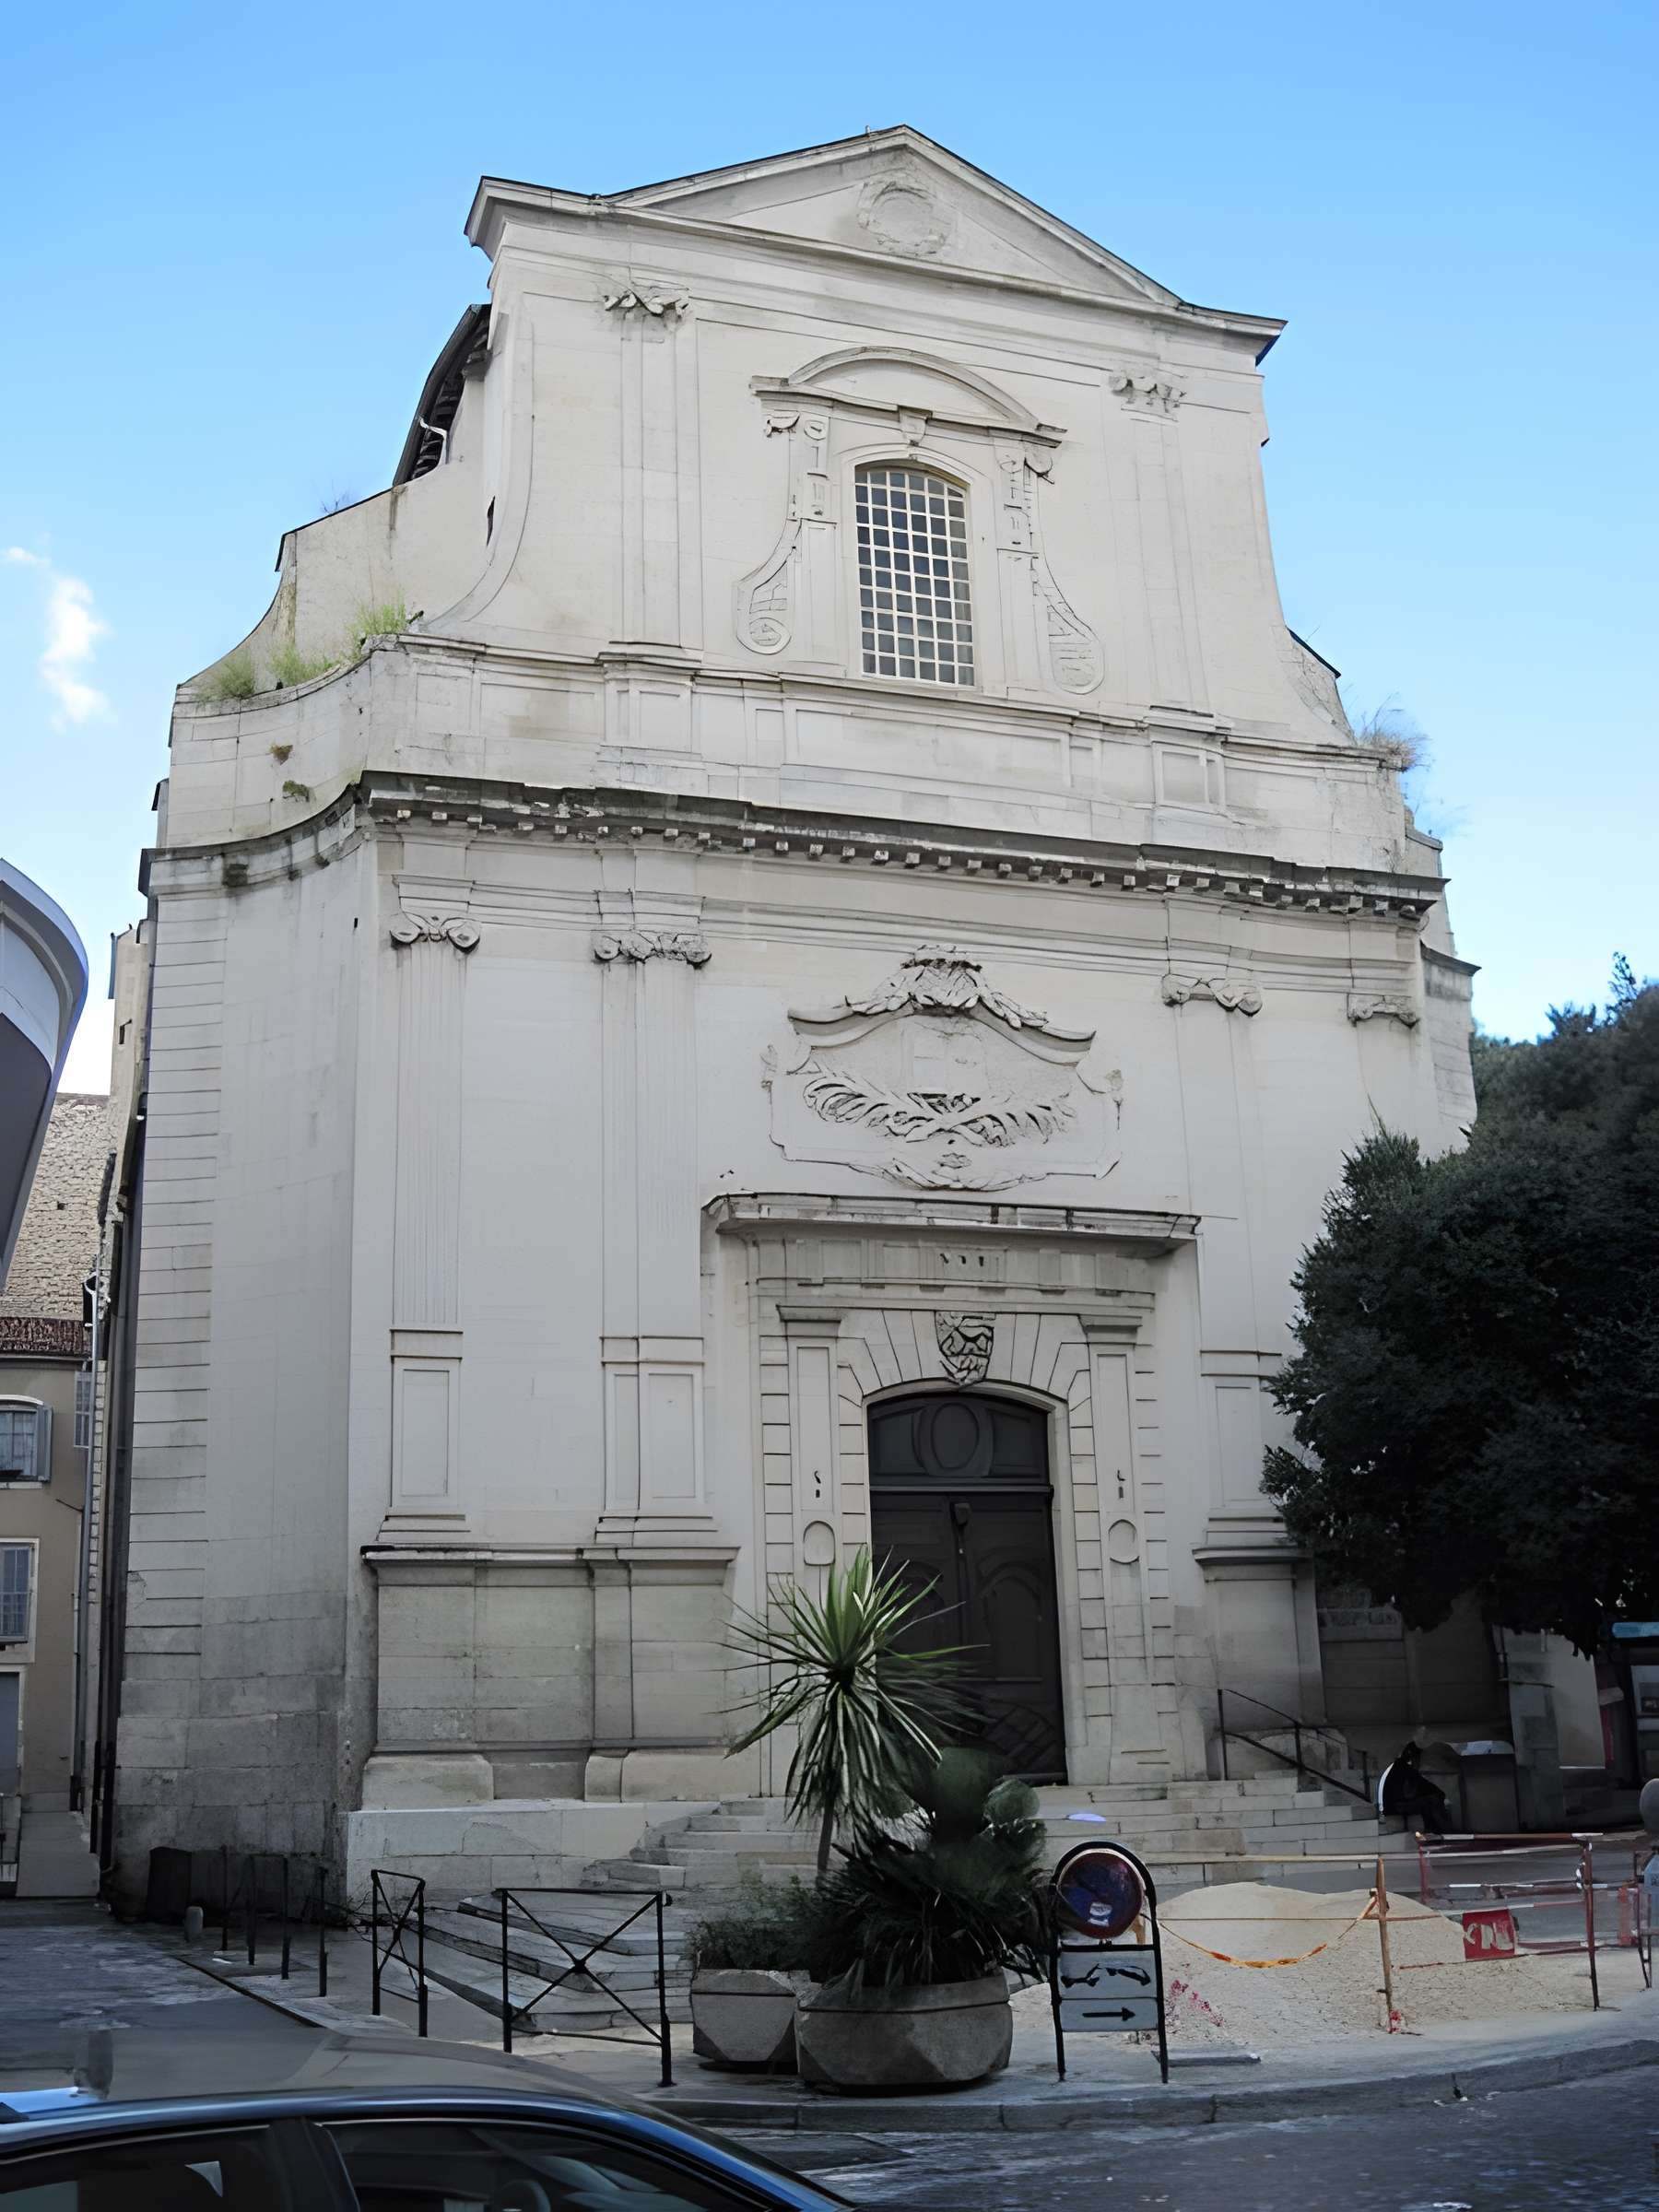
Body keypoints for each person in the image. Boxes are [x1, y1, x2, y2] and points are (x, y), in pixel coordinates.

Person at [1377, 1740, 1450, 1835]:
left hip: (1394, 1809)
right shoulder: (1406, 1770)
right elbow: (1415, 1790)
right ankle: (1443, 1831)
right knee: (1431, 1801)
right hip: (1398, 1809)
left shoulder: (1397, 1768)